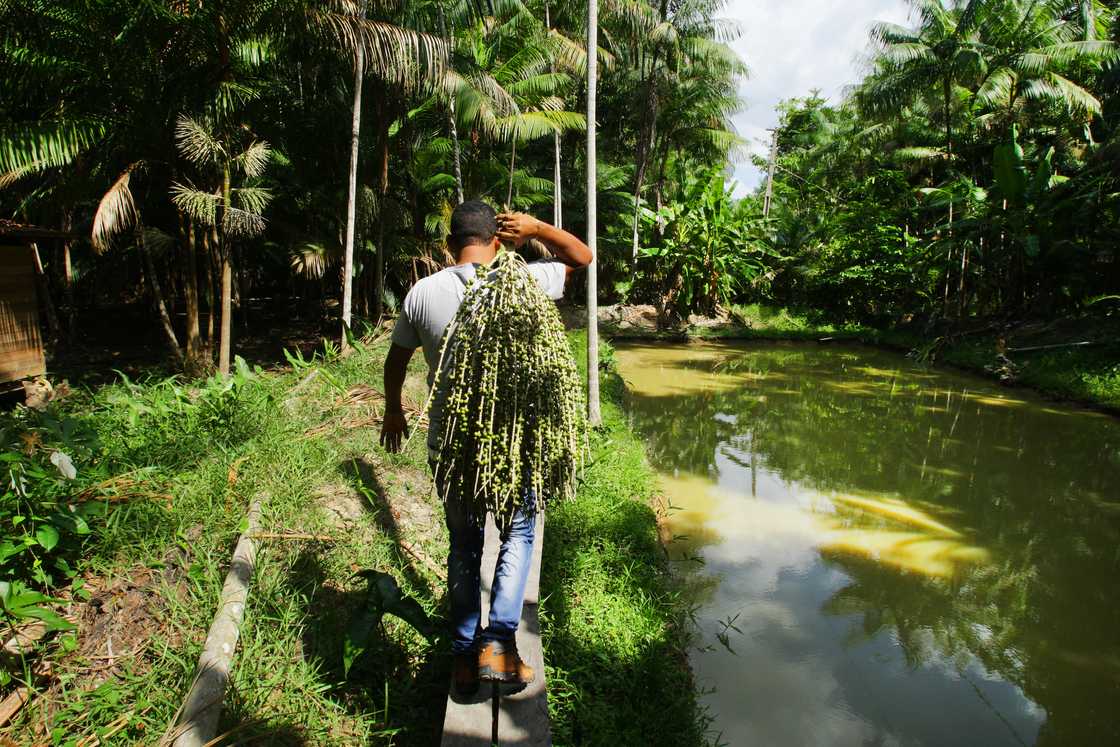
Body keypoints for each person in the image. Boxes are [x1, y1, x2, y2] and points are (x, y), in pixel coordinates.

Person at [380, 200, 592, 696]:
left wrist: (393, 409)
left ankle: (461, 658)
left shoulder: (422, 292)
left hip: (452, 446)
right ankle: (497, 644)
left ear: (448, 246)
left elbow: (396, 361)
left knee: (463, 543)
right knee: (518, 534)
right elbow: (582, 257)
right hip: (514, 446)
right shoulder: (525, 281)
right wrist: (537, 228)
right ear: (498, 241)